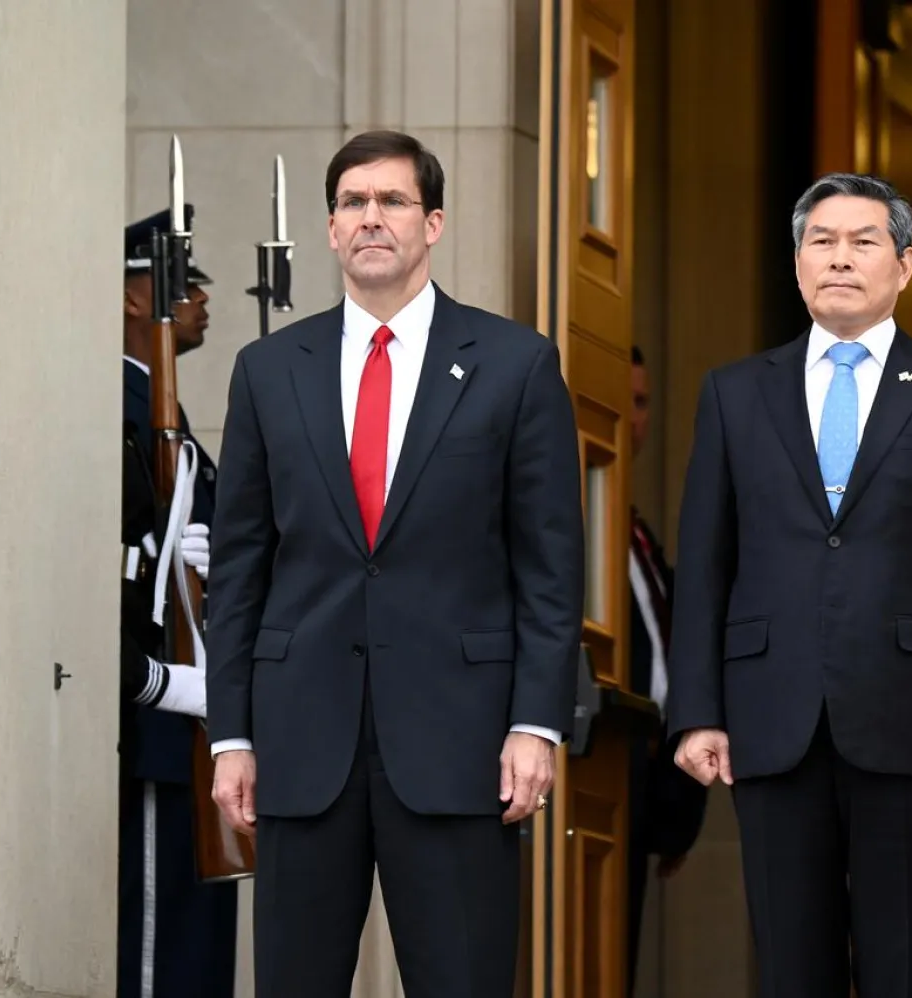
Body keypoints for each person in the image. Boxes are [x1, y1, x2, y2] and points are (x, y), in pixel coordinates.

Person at [204, 129, 585, 997]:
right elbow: (240, 569)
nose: (371, 217)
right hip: (302, 746)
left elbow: (550, 566)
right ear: (331, 230)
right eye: (352, 203)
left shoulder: (516, 365)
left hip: (462, 745)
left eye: (393, 201)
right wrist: (232, 734)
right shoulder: (267, 372)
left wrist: (537, 722)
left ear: (434, 223)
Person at [666, 173, 912, 997]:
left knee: (907, 961)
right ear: (796, 266)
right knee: (791, 964)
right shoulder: (735, 392)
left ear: (904, 266)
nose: (840, 258)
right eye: (821, 241)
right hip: (769, 715)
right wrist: (696, 711)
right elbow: (707, 557)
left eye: (864, 242)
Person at [117, 206, 236, 998]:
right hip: (156, 723)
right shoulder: (124, 410)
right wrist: (156, 682)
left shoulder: (168, 415)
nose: (199, 298)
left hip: (197, 723)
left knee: (199, 953)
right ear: (134, 297)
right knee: (159, 956)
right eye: (181, 281)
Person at [624, 345, 707, 993]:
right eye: (623, 397)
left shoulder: (637, 534)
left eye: (644, 401)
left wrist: (677, 806)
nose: (632, 415)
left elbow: (669, 665)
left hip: (643, 791)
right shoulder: (572, 523)